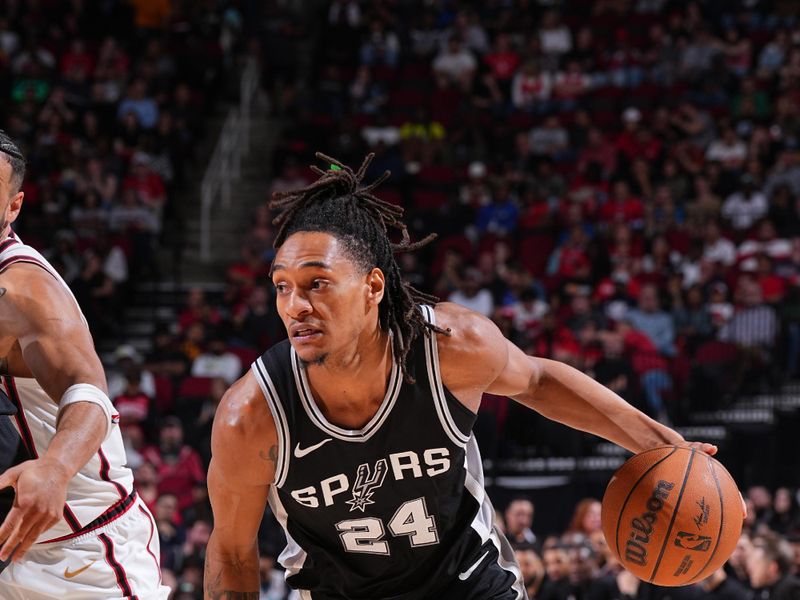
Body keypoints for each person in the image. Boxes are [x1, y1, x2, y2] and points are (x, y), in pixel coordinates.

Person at [205, 154, 724, 599]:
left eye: (317, 283)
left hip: (466, 582)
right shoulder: (250, 417)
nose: (296, 305)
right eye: (281, 287)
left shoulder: (449, 348)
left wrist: (663, 444)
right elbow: (231, 551)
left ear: (373, 286)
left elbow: (539, 381)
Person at [0, 131, 169, 598]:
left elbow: (89, 390)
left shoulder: (23, 289)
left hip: (77, 552)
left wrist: (55, 467)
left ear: (13, 207)